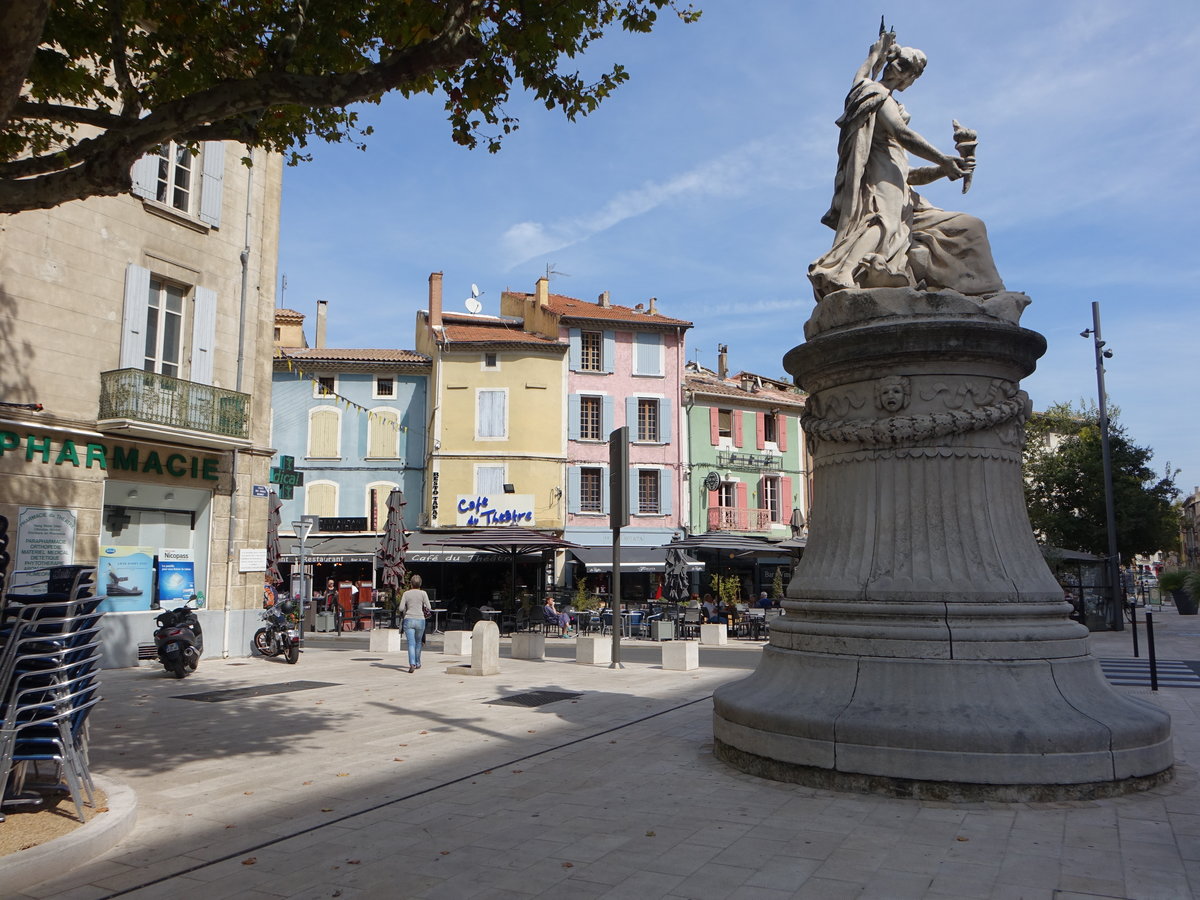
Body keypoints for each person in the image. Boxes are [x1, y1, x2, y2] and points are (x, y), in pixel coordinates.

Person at [808, 24, 1005, 301]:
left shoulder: (888, 118)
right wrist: (875, 53)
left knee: (969, 226)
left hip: (904, 195)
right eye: (894, 61)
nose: (895, 68)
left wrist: (944, 169)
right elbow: (903, 133)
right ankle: (842, 272)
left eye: (903, 66)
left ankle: (982, 293)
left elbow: (907, 174)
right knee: (883, 223)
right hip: (879, 187)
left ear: (910, 79)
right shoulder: (875, 93)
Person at [398, 574, 432, 673]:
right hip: (420, 619)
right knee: (418, 642)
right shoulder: (423, 593)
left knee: (411, 643)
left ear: (411, 584)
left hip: (408, 619)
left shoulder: (406, 594)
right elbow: (429, 607)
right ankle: (418, 662)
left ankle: (412, 663)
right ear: (420, 583)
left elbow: (400, 608)